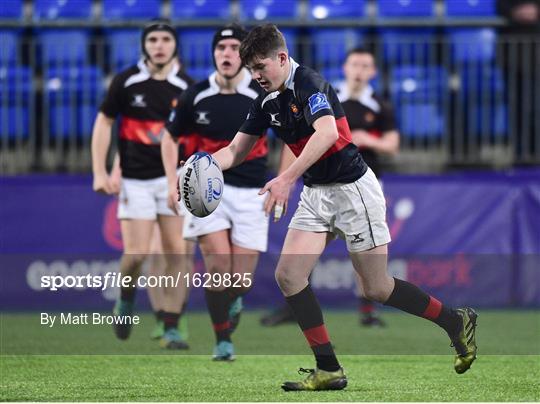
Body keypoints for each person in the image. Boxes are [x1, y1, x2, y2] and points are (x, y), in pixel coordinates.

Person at [206, 24, 478, 391]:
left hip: (354, 191)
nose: (255, 76)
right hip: (316, 193)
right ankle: (329, 368)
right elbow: (236, 150)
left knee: (376, 289)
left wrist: (286, 178)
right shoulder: (266, 100)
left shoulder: (310, 83)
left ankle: (454, 321)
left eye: (260, 67)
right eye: (250, 70)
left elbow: (328, 134)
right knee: (288, 276)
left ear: (282, 58)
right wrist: (198, 166)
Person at [161, 25, 270, 361]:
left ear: (246, 55)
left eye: (235, 47)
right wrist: (170, 182)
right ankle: (223, 341)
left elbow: (288, 137)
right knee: (218, 266)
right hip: (205, 189)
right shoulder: (196, 94)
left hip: (252, 189)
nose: (227, 53)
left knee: (241, 280)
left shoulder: (262, 93)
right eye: (221, 47)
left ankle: (231, 304)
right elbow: (169, 138)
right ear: (213, 53)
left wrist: (283, 180)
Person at [91, 19, 194, 349]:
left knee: (177, 253)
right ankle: (125, 300)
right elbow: (105, 122)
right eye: (153, 39)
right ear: (144, 45)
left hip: (172, 180)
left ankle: (171, 325)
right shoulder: (126, 81)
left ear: (175, 45)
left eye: (165, 39)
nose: (159, 45)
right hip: (135, 179)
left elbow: (193, 137)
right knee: (136, 256)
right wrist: (100, 170)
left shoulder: (187, 87)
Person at [337, 46, 400, 326]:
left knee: (363, 245)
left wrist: (368, 139)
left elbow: (392, 145)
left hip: (368, 185)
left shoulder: (380, 105)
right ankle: (294, 305)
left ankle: (367, 309)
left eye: (365, 66)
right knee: (309, 243)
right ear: (345, 67)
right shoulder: (329, 100)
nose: (359, 70)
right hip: (330, 182)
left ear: (373, 72)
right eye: (354, 64)